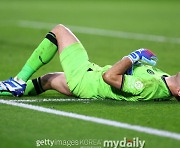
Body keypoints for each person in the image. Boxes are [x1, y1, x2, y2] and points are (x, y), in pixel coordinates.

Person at [0, 24, 180, 101]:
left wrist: (135, 55)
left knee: (60, 31)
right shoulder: (163, 78)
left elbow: (109, 76)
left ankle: (18, 81)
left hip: (88, 79)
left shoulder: (151, 86)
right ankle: (6, 88)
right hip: (90, 85)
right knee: (48, 80)